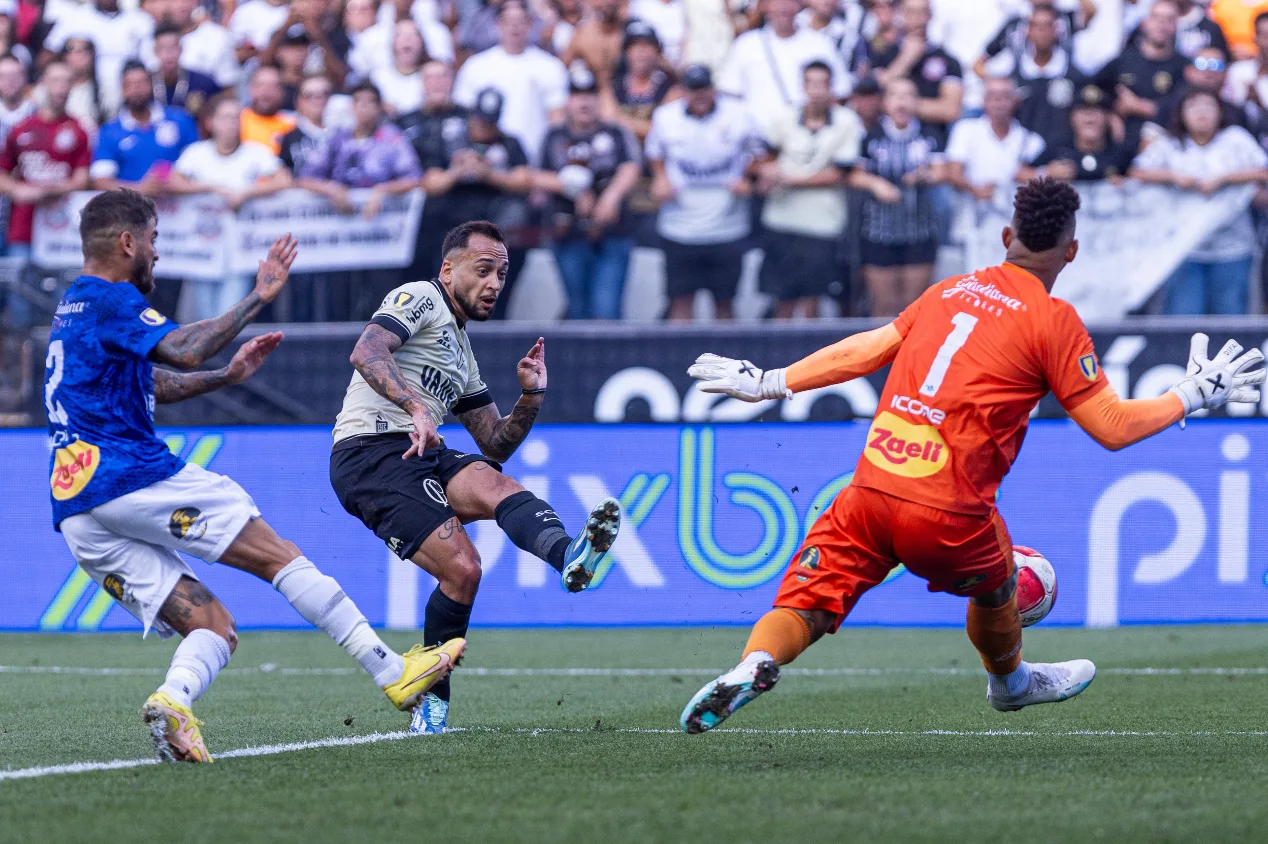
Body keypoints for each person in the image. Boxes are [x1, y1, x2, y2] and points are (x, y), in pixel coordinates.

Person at [677, 177, 1266, 734]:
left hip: (869, 491)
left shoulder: (947, 290)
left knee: (806, 606)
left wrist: (772, 381)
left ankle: (752, 663)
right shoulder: (1054, 321)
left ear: (1007, 239)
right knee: (1001, 583)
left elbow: (869, 348)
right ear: (1072, 252)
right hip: (949, 512)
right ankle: (1010, 683)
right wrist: (1190, 395)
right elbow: (1110, 428)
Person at [46, 190, 463, 763]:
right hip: (126, 474)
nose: (156, 254)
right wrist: (257, 298)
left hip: (76, 507)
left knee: (214, 626)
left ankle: (173, 701)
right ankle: (393, 672)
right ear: (127, 243)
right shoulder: (111, 298)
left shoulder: (73, 306)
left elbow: (152, 383)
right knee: (276, 554)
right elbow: (183, 349)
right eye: (154, 241)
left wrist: (226, 375)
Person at [331, 219, 621, 734]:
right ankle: (431, 701)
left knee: (498, 484)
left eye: (502, 275)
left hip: (419, 451)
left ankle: (569, 555)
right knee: (463, 569)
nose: (494, 284)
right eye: (483, 270)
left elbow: (495, 441)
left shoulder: (461, 353)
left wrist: (531, 396)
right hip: (370, 453)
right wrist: (415, 406)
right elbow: (367, 351)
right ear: (448, 269)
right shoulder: (420, 295)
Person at [1129, 88, 1268, 315]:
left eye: (1208, 105)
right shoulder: (1170, 143)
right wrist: (1172, 177)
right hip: (1184, 248)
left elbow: (1264, 171)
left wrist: (1225, 179)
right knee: (1183, 323)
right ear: (1181, 113)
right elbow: (1136, 172)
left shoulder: (1236, 139)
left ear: (1220, 112)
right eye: (1193, 105)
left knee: (1230, 325)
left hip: (1233, 248)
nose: (1201, 111)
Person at [644, 64, 759, 321]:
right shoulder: (665, 117)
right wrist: (661, 178)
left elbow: (761, 153)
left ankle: (728, 362)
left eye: (704, 89)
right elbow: (654, 153)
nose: (700, 95)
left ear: (713, 88)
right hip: (679, 228)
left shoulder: (738, 115)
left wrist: (748, 177)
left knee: (725, 304)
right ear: (683, 91)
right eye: (694, 89)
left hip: (728, 228)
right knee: (680, 303)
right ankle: (680, 361)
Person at [168, 94, 292, 319]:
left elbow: (283, 179)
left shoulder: (255, 152)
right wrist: (209, 188)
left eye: (236, 117)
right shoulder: (196, 153)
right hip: (202, 249)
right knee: (205, 316)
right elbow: (174, 182)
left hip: (239, 250)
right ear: (210, 122)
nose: (232, 123)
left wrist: (246, 193)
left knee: (229, 314)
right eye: (225, 117)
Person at [755, 60, 862, 320]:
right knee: (782, 300)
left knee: (812, 301)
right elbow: (763, 159)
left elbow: (840, 173)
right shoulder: (784, 117)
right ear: (803, 87)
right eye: (810, 83)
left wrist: (790, 179)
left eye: (822, 84)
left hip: (822, 225)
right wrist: (765, 174)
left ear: (831, 87)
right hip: (781, 221)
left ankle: (808, 360)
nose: (816, 90)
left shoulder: (846, 121)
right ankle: (780, 359)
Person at [537, 69, 641, 319]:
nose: (584, 102)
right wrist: (573, 188)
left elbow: (632, 166)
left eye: (590, 95)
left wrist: (612, 195)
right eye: (577, 95)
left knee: (607, 310)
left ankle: (611, 359)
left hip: (612, 231)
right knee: (577, 308)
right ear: (568, 101)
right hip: (568, 233)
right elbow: (535, 175)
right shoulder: (553, 135)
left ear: (598, 99)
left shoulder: (616, 132)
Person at [419, 87, 533, 318]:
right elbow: (430, 184)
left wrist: (489, 173)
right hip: (454, 237)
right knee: (448, 304)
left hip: (496, 240)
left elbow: (524, 182)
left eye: (490, 123)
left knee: (494, 304)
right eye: (480, 121)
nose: (484, 128)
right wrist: (457, 171)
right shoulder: (450, 141)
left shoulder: (509, 143)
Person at [0, 60, 90, 326]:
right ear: (42, 85)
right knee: (21, 300)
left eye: (66, 82)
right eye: (55, 81)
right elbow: (3, 174)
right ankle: (21, 365)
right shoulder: (21, 130)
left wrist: (49, 190)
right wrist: (19, 190)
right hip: (23, 228)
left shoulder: (78, 130)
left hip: (62, 232)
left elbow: (82, 179)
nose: (60, 88)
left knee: (64, 305)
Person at [855, 76, 944, 317]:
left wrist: (924, 176)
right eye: (895, 95)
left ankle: (911, 356)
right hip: (879, 232)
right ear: (885, 102)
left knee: (913, 308)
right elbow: (854, 175)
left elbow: (941, 172)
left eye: (908, 96)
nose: (902, 102)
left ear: (917, 102)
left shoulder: (929, 134)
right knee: (884, 307)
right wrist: (876, 184)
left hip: (919, 231)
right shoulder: (871, 136)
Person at [454, 0, 568, 164]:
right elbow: (465, 116)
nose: (514, 27)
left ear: (531, 24)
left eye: (520, 21)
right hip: (485, 163)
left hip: (535, 158)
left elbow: (557, 120)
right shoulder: (475, 66)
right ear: (498, 24)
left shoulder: (551, 66)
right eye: (508, 22)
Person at [716, 0, 850, 132]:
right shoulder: (746, 45)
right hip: (757, 141)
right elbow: (730, 96)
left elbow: (840, 92)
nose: (783, 8)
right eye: (776, 2)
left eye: (789, 2)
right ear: (764, 6)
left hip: (806, 141)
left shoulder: (820, 43)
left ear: (798, 6)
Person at [396, 60, 467, 283]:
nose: (437, 83)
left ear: (453, 81)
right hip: (414, 220)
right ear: (421, 83)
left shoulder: (470, 119)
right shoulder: (404, 122)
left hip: (461, 213)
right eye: (430, 77)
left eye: (443, 76)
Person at [90, 61, 199, 193]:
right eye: (130, 84)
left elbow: (198, 165)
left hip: (180, 206)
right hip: (131, 209)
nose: (137, 89)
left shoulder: (180, 120)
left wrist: (175, 182)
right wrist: (140, 190)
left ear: (152, 85)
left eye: (142, 83)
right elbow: (101, 181)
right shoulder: (109, 131)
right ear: (122, 89)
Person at [982, 5, 1081, 150]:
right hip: (1021, 153)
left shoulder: (1074, 74)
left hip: (1062, 151)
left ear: (1056, 30)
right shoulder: (1012, 73)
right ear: (1027, 31)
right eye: (1036, 25)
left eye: (1047, 25)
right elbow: (977, 64)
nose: (1041, 31)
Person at [42, 0, 155, 119]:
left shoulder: (140, 20)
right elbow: (48, 53)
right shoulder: (75, 17)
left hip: (131, 97)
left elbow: (151, 64)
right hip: (88, 95)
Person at [1098, 0, 1188, 147]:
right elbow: (1091, 90)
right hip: (1120, 143)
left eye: (1169, 20)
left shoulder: (1184, 67)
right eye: (1157, 18)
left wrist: (1140, 106)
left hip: (1165, 146)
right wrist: (1108, 115)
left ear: (1176, 25)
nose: (1162, 25)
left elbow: (1184, 108)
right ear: (1144, 22)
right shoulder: (1123, 61)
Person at [872, 0, 962, 148]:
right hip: (886, 145)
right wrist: (905, 60)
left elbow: (951, 110)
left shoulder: (948, 60)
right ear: (900, 15)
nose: (919, 19)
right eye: (912, 12)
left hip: (932, 143)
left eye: (923, 12)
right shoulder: (883, 55)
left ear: (931, 16)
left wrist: (903, 104)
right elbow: (873, 100)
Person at [945, 76, 1046, 203]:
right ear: (984, 101)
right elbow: (953, 173)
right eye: (992, 96)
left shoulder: (1031, 140)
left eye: (1005, 96)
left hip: (1015, 218)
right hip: (971, 218)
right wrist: (974, 189)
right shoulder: (965, 130)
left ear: (1015, 100)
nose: (999, 102)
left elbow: (1032, 177)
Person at [1038, 82, 1135, 182]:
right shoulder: (1056, 150)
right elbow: (1023, 173)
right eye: (1083, 111)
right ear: (1071, 118)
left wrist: (1126, 182)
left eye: (1097, 111)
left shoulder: (1121, 154)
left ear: (1108, 118)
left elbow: (1139, 175)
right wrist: (1046, 173)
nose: (1090, 117)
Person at [150, 22, 222, 118]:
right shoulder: (146, 84)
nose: (168, 53)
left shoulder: (203, 83)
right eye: (163, 48)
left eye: (173, 47)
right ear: (155, 51)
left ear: (181, 49)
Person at [559, 0, 625, 88]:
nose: (607, 2)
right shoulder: (583, 34)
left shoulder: (630, 32)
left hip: (625, 94)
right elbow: (561, 68)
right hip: (592, 94)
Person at [372, 18, 429, 116]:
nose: (407, 39)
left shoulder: (430, 76)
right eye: (400, 35)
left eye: (413, 35)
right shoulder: (377, 76)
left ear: (422, 44)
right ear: (393, 42)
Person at [240, 63, 296, 155]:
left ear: (282, 92)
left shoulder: (293, 124)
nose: (266, 92)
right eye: (260, 85)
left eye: (273, 86)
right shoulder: (237, 121)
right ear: (250, 89)